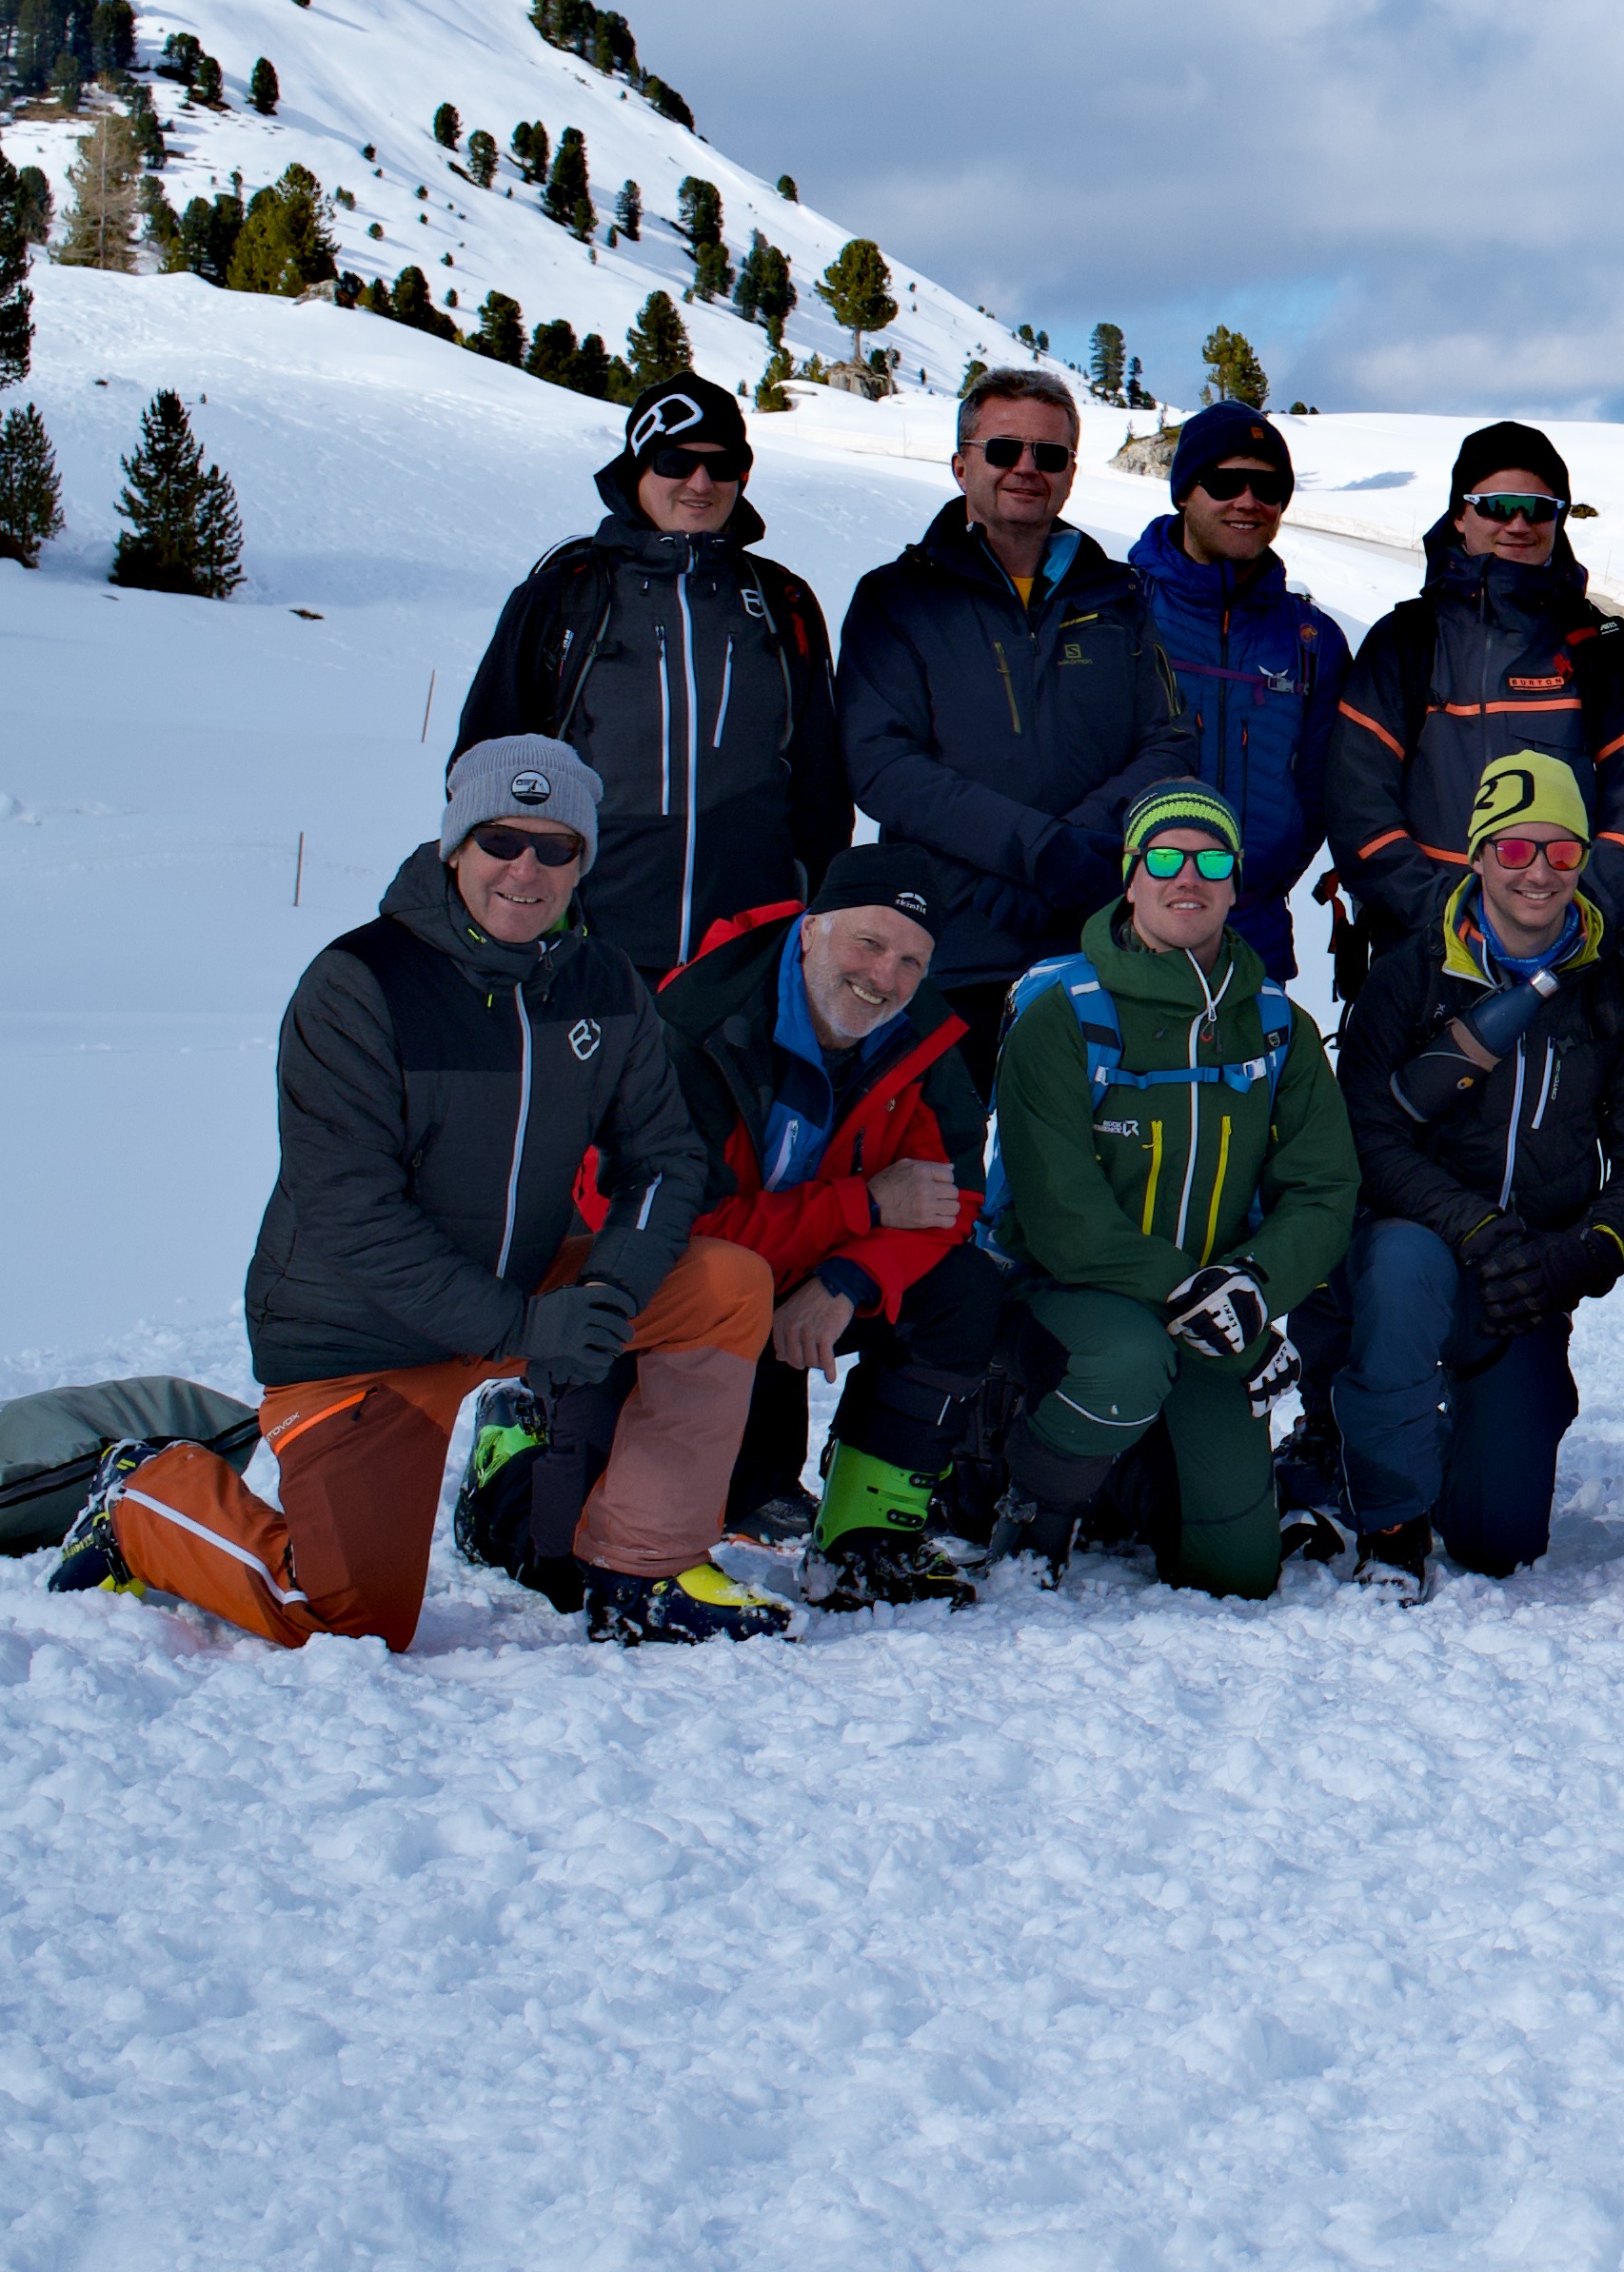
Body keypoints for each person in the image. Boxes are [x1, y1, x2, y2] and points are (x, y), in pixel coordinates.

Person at [157, 738, 784, 1650]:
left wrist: (606, 1296)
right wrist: (530, 1332)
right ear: (456, 848)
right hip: (361, 1337)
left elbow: (665, 1159)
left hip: (522, 1295)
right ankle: (146, 1494)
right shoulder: (360, 984)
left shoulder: (604, 986)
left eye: (556, 847)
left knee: (725, 1285)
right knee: (346, 1621)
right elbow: (350, 1213)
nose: (525, 868)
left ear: (583, 863)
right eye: (500, 839)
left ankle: (644, 1571)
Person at [980, 782, 1360, 1597]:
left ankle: (1126, 1481)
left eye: (1211, 859)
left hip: (1213, 1311)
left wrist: (1255, 1286)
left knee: (1239, 1573)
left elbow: (1325, 1186)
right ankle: (1036, 1508)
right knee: (1126, 1359)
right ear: (1131, 876)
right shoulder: (1066, 1012)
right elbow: (1060, 1212)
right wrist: (1198, 1296)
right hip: (1069, 1297)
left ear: (1235, 884)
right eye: (1164, 858)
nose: (1187, 877)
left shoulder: (1276, 1025)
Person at [1336, 752, 1624, 1590]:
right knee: (1399, 1268)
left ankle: (1466, 1437)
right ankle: (1390, 1520)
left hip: (1528, 1278)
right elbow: (1369, 1136)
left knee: (1500, 1542)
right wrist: (1475, 1227)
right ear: (1480, 855)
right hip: (1425, 1249)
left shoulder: (1616, 989)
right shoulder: (1411, 975)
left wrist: (1586, 1252)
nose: (1539, 872)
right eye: (1516, 850)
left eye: (1561, 852)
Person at [635, 839, 1000, 1612]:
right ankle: (522, 1437)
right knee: (552, 1537)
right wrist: (863, 1207)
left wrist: (851, 1275)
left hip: (806, 1272)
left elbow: (953, 1200)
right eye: (869, 943)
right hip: (671, 1298)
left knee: (964, 1289)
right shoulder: (694, 1021)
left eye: (911, 962)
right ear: (810, 929)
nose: (885, 978)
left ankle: (865, 1542)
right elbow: (670, 1230)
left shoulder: (923, 1037)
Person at [447, 373, 848, 978]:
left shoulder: (782, 599)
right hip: (583, 950)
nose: (700, 482)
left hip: (748, 955)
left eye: (724, 464)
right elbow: (485, 769)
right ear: (637, 468)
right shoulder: (566, 595)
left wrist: (808, 910)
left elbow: (820, 783)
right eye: (675, 460)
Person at [839, 365, 1193, 1037]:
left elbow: (1170, 742)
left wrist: (1077, 848)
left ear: (1069, 473)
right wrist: (1035, 851)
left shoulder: (1118, 599)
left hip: (1094, 942)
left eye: (1050, 455)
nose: (1027, 468)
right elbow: (882, 765)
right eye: (1004, 449)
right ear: (960, 464)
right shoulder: (899, 598)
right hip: (943, 946)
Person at [1322, 420, 1624, 954]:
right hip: (1422, 952)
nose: (1517, 523)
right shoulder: (1406, 642)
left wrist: (1567, 921)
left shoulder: (1598, 649)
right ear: (1460, 515)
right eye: (1496, 505)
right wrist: (1455, 921)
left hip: (1571, 956)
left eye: (1538, 508)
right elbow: (1358, 808)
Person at [1126, 397, 1350, 988]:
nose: (1247, 501)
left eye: (1268, 486)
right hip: (1124, 931)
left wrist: (1262, 877)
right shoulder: (1118, 611)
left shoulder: (1312, 640)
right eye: (1225, 481)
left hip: (1255, 935)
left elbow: (1321, 788)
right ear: (1184, 492)